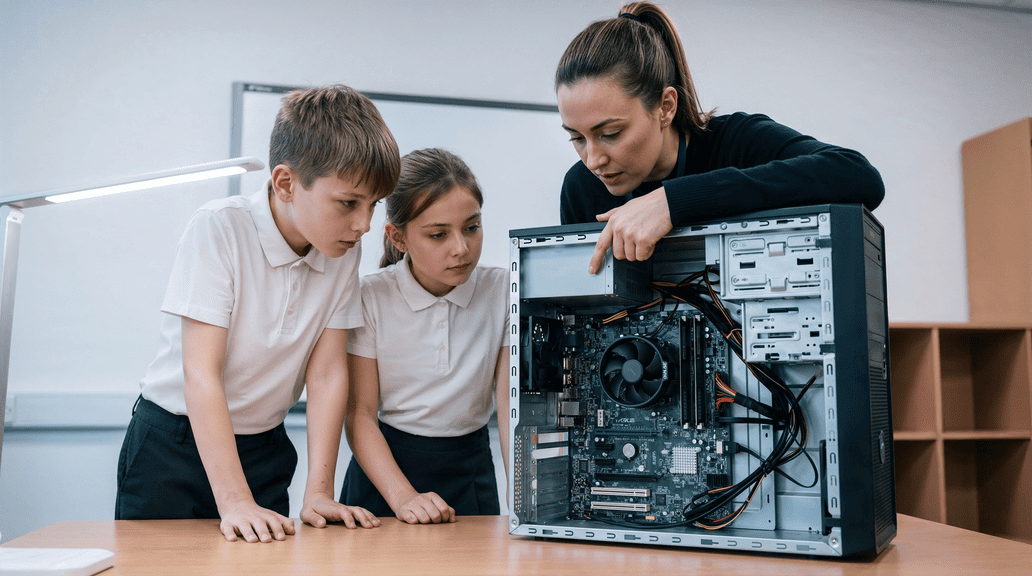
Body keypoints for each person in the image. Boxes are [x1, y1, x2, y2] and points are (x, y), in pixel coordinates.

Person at [115, 84, 401, 543]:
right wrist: (234, 501)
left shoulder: (342, 249)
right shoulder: (219, 228)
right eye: (349, 203)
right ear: (286, 183)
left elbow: (327, 374)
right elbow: (201, 373)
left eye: (373, 205)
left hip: (264, 445)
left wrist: (319, 490)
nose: (364, 224)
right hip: (175, 444)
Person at [556, 1, 885, 274]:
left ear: (665, 107)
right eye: (578, 138)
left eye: (610, 133)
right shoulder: (580, 189)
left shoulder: (736, 142)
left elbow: (858, 176)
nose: (594, 160)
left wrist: (675, 201)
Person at [339, 148, 508, 524]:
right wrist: (404, 498)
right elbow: (360, 414)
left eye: (472, 227)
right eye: (438, 234)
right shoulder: (370, 297)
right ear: (398, 238)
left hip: (470, 470)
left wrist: (526, 506)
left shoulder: (502, 291)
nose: (461, 248)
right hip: (384, 473)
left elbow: (513, 412)